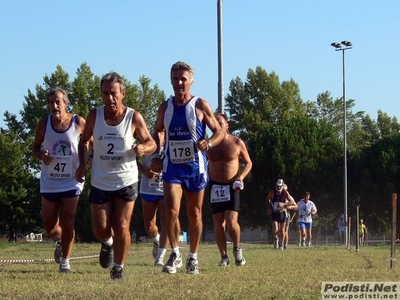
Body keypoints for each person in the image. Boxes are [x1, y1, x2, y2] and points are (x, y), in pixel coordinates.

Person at [75, 72, 156, 280]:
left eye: (113, 93)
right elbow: (83, 141)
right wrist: (82, 165)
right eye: (105, 94)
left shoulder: (133, 117)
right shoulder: (94, 116)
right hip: (101, 181)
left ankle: (118, 267)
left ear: (123, 94)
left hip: (126, 180)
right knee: (100, 229)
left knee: (121, 226)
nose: (109, 98)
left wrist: (142, 148)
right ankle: (107, 243)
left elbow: (152, 143)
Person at [151, 61, 223, 275]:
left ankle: (193, 256)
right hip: (172, 167)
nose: (179, 82)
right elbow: (159, 132)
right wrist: (157, 153)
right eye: (175, 78)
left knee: (195, 213)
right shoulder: (165, 107)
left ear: (191, 80)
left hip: (195, 168)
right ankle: (175, 253)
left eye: (183, 78)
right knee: (170, 212)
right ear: (171, 81)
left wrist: (208, 143)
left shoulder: (200, 105)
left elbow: (219, 132)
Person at [32, 87, 86, 273]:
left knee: (68, 219)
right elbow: (35, 148)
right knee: (49, 225)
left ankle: (66, 260)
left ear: (66, 103)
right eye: (51, 102)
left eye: (58, 102)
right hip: (50, 179)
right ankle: (60, 240)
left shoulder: (78, 122)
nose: (54, 106)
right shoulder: (43, 124)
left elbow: (91, 143)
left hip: (72, 179)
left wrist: (84, 164)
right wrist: (42, 156)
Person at [206, 113, 252, 266]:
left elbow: (248, 163)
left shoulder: (237, 142)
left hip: (232, 185)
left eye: (220, 123)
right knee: (218, 224)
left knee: (231, 222)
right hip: (214, 185)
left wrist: (241, 177)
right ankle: (224, 257)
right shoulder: (208, 144)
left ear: (227, 125)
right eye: (215, 123)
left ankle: (237, 248)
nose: (218, 126)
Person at [137, 132, 181, 267]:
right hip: (148, 187)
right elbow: (132, 157)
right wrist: (144, 171)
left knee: (167, 220)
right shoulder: (147, 139)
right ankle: (156, 240)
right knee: (149, 226)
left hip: (167, 187)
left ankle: (161, 257)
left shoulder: (174, 139)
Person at [266, 179, 297, 250]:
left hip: (282, 213)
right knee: (275, 230)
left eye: (280, 186)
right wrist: (269, 208)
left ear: (282, 186)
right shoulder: (272, 192)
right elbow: (267, 199)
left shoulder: (285, 193)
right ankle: (276, 239)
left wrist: (284, 204)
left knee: (282, 230)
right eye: (277, 186)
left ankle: (281, 244)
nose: (279, 188)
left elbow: (292, 202)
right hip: (274, 213)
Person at [282, 184, 297, 249]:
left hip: (286, 215)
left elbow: (296, 206)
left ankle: (285, 244)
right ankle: (279, 243)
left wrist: (290, 207)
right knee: (279, 230)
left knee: (285, 231)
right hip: (278, 215)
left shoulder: (289, 197)